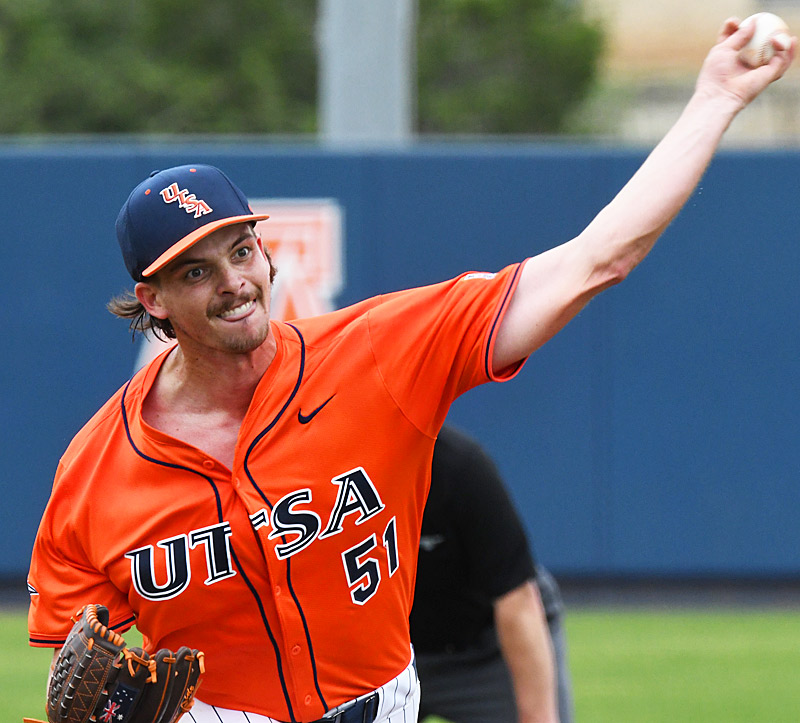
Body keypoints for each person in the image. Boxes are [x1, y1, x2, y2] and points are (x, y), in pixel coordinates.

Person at [25, 19, 794, 723]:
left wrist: (715, 99)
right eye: (195, 272)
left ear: (264, 250)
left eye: (240, 250)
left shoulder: (380, 351)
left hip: (382, 703)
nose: (232, 281)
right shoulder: (93, 472)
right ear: (149, 299)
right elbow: (74, 662)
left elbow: (598, 260)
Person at [412, 425, 573, 723]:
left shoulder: (460, 467)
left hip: (488, 647)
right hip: (392, 659)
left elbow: (517, 600)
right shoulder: (341, 468)